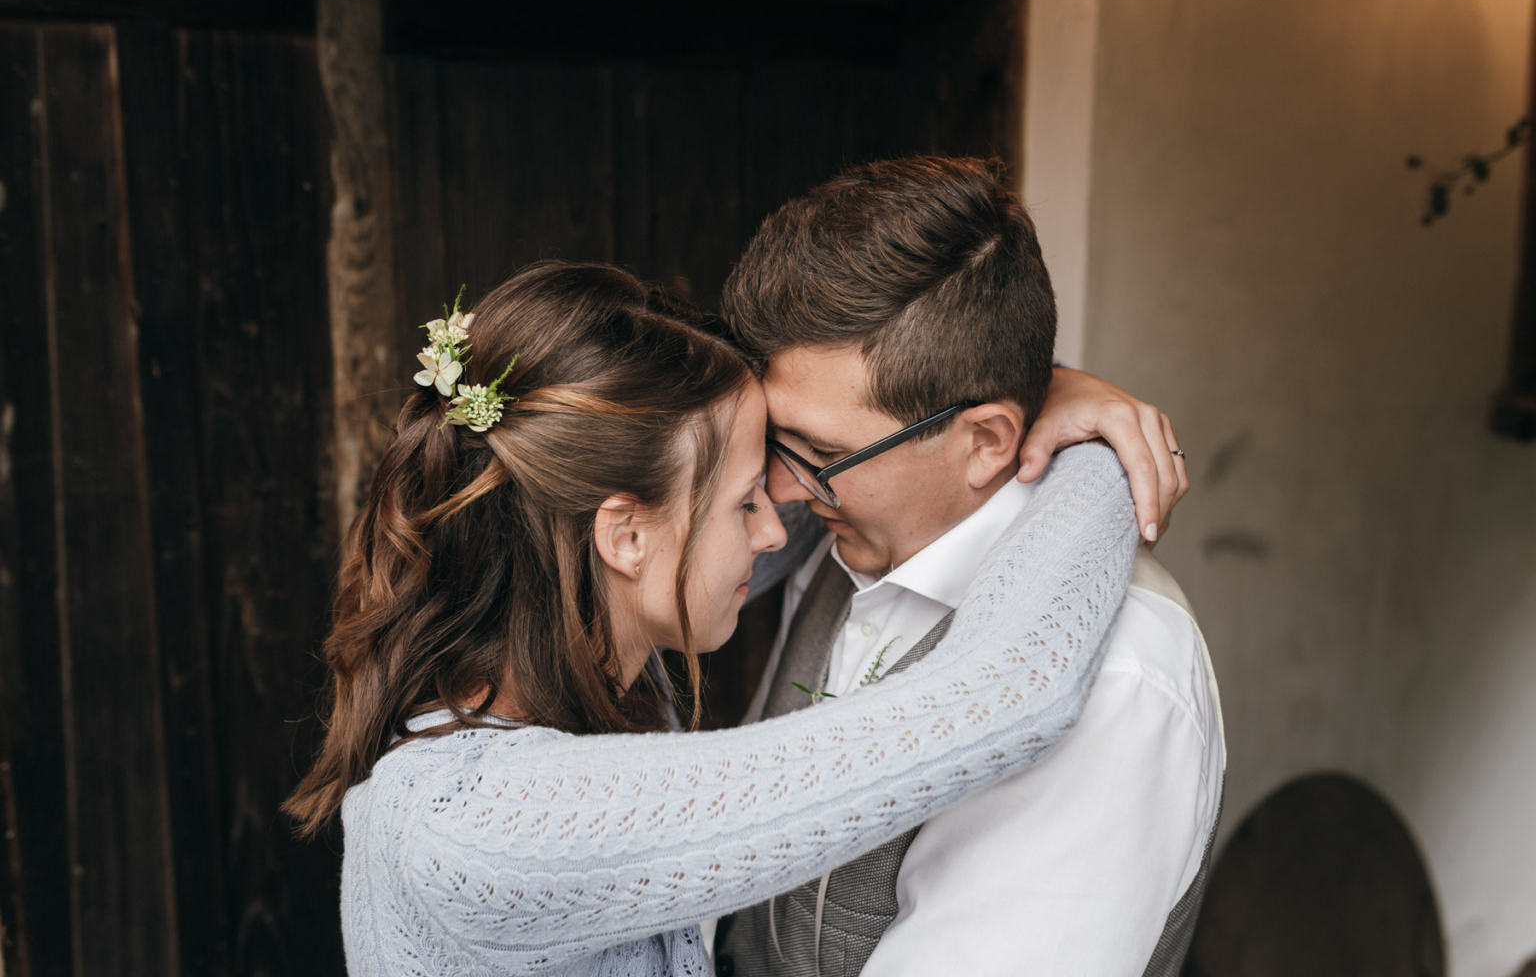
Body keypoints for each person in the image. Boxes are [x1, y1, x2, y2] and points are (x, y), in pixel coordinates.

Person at [281, 261, 1169, 976]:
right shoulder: (487, 827)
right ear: (626, 536)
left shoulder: (590, 646)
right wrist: (1088, 446)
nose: (779, 525)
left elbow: (819, 517)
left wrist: (996, 402)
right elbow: (1005, 693)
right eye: (748, 499)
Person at [712, 156, 1223, 977]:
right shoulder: (846, 524)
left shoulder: (1119, 683)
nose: (777, 493)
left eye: (820, 453)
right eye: (777, 441)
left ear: (986, 441)